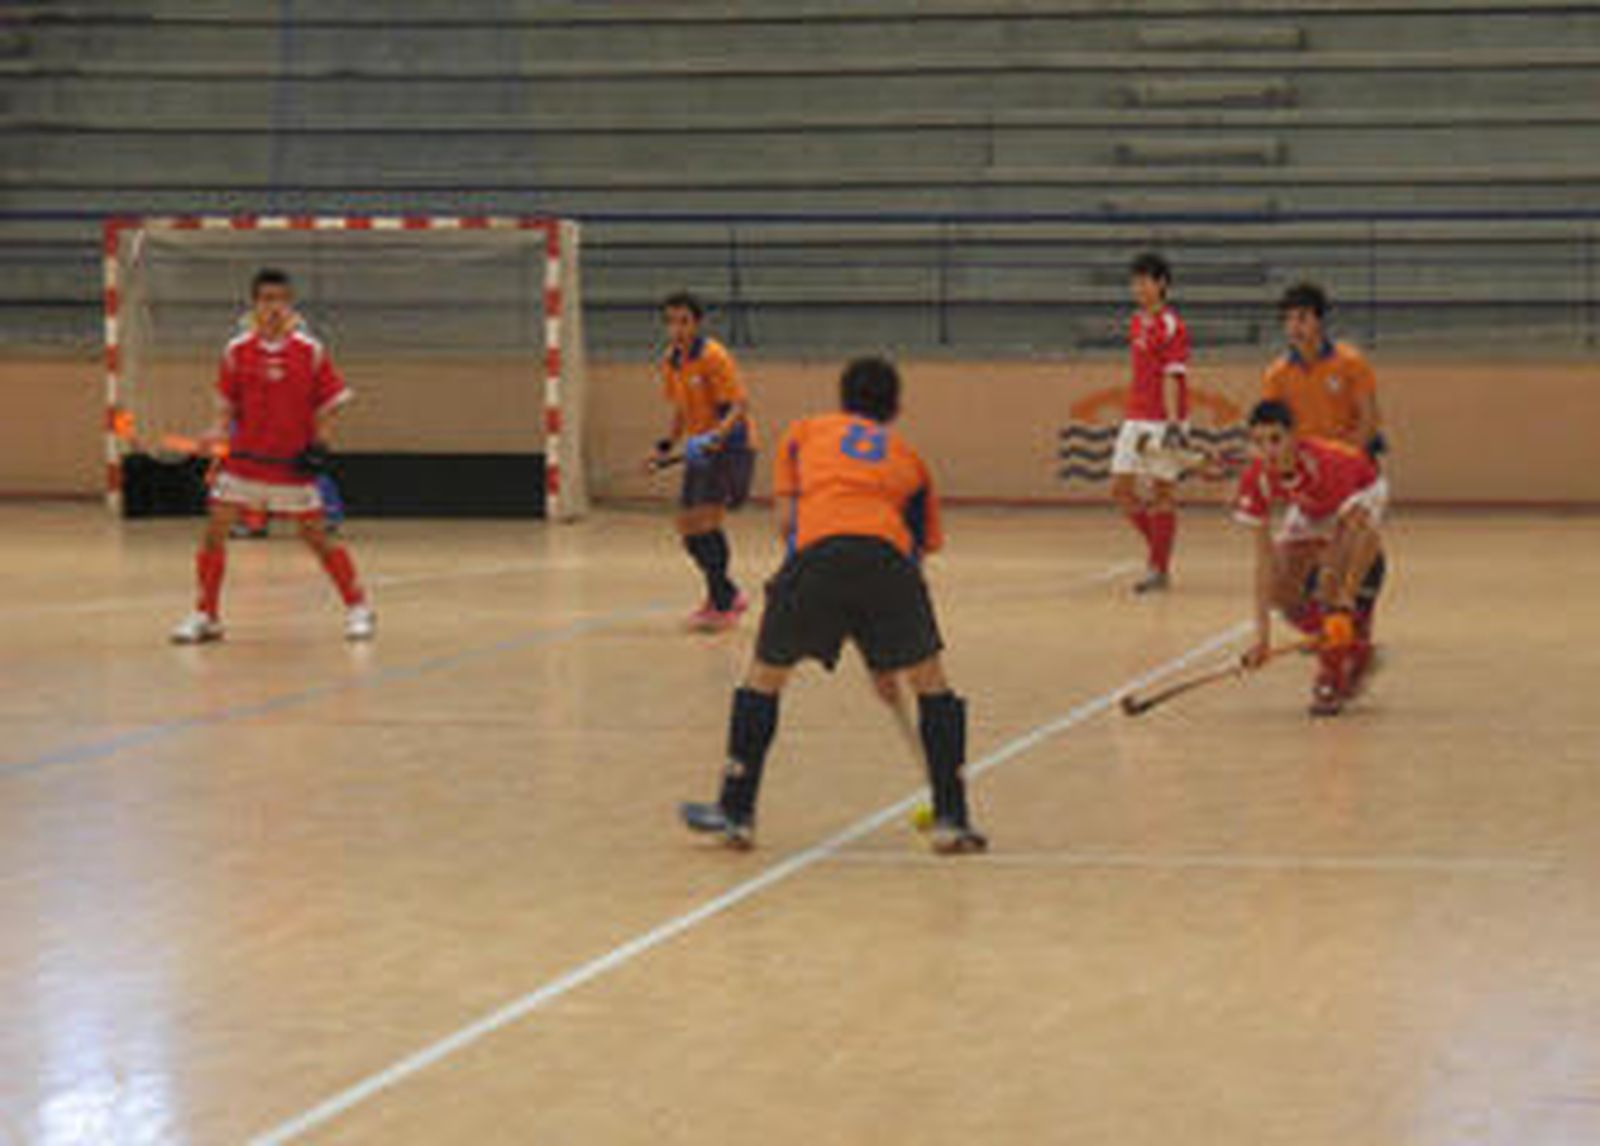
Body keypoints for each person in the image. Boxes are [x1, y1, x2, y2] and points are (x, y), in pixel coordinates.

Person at [680, 356, 987, 854]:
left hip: (817, 555)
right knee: (931, 684)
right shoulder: (910, 459)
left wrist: (809, 589)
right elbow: (915, 552)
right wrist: (886, 654)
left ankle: (736, 812)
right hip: (889, 564)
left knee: (765, 677)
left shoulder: (803, 433)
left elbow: (788, 525)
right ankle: (953, 817)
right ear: (896, 408)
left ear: (841, 398)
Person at [169, 268, 373, 644]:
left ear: (290, 304)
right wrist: (215, 431)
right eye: (266, 299)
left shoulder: (310, 351)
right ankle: (206, 615)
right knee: (214, 532)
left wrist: (320, 445)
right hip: (243, 463)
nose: (273, 307)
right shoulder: (236, 351)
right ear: (254, 305)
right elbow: (225, 406)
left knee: (316, 538)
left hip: (291, 466)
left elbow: (329, 403)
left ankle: (358, 607)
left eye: (281, 299)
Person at [1234, 400, 1388, 716]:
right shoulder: (1256, 479)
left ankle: (1330, 677)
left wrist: (1344, 597)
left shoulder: (1330, 464)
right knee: (1282, 593)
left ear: (1294, 437)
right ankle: (1350, 645)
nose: (1269, 451)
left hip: (1360, 494)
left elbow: (1366, 537)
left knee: (1332, 588)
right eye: (1259, 442)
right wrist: (1261, 638)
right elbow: (1263, 562)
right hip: (1311, 507)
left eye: (1276, 439)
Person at [651, 291, 756, 632]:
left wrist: (714, 438)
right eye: (670, 321)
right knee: (688, 529)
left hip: (729, 447)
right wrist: (666, 446)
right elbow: (681, 409)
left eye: (684, 321)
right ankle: (727, 593)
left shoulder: (714, 356)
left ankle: (722, 605)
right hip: (699, 450)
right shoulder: (671, 360)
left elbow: (738, 407)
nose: (676, 329)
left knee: (706, 522)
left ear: (697, 323)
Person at [1110, 252, 1191, 594]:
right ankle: (1159, 550)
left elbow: (1174, 377)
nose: (1138, 288)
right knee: (1121, 489)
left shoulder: (1172, 326)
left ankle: (1158, 568)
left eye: (1145, 281)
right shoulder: (1136, 321)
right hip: (1135, 417)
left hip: (1164, 420)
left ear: (1162, 284)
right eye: (1135, 281)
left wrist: (1173, 425)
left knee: (1162, 495)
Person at [1262, 282, 1385, 458]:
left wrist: (1347, 459)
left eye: (1302, 318)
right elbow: (1271, 429)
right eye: (1288, 319)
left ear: (1320, 320)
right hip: (1304, 463)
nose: (1294, 327)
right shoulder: (1275, 374)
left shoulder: (1351, 362)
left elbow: (1368, 418)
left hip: (1348, 458)